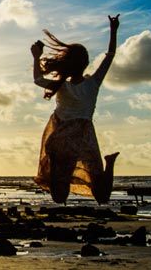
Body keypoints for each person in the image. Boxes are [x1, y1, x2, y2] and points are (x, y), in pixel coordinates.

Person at [30, 14, 121, 204]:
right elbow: (110, 55)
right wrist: (113, 31)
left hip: (62, 138)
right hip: (84, 137)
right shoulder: (93, 83)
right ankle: (110, 163)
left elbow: (38, 80)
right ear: (86, 64)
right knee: (103, 197)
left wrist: (37, 57)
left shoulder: (62, 85)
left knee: (59, 197)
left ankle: (56, 165)